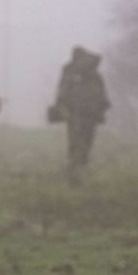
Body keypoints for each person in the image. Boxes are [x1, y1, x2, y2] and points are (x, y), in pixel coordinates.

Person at [49, 46, 111, 186]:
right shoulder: (94, 74)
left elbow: (62, 93)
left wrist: (62, 109)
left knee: (75, 145)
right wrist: (100, 111)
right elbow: (103, 97)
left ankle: (75, 176)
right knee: (85, 145)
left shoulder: (70, 71)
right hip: (90, 115)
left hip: (75, 115)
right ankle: (79, 173)